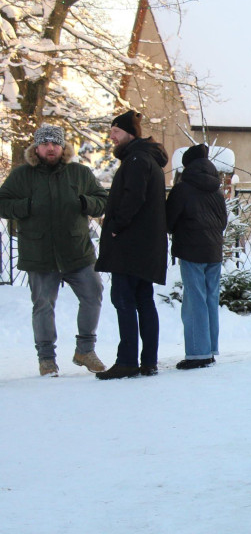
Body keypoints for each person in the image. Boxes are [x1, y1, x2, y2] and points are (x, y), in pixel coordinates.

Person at [0, 124, 109, 376]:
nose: (51, 148)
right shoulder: (22, 175)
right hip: (40, 254)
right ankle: (46, 358)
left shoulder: (79, 173)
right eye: (46, 143)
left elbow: (102, 200)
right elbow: (2, 202)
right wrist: (26, 206)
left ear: (63, 147)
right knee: (43, 306)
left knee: (93, 294)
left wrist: (85, 202)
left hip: (77, 251)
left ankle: (85, 350)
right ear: (36, 147)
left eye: (55, 143)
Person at [94, 110, 170, 380]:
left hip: (130, 247)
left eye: (116, 131)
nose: (111, 136)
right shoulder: (146, 158)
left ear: (130, 133)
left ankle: (127, 361)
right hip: (144, 247)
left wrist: (116, 226)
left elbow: (132, 197)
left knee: (124, 300)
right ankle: (148, 361)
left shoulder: (137, 159)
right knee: (143, 301)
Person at [166, 143, 228, 370]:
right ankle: (210, 349)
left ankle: (197, 353)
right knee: (210, 299)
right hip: (214, 251)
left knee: (194, 301)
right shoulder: (216, 190)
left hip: (192, 250)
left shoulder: (183, 189)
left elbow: (169, 221)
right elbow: (222, 222)